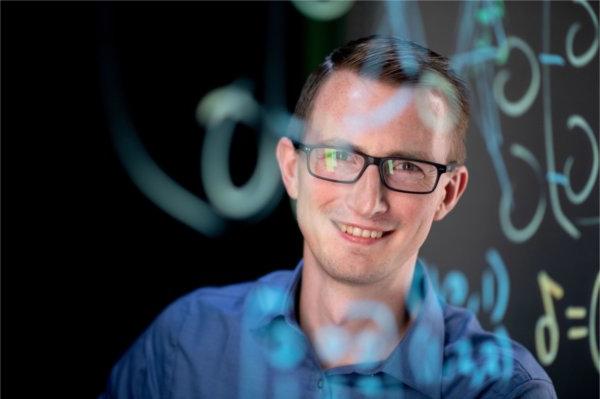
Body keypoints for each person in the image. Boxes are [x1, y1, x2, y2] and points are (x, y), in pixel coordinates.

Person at [100, 36, 556, 398]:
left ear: (448, 194)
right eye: (339, 157)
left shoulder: (503, 391)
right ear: (291, 169)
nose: (367, 201)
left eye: (406, 167)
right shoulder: (186, 341)